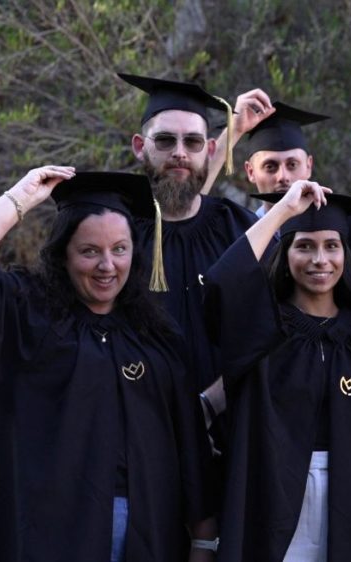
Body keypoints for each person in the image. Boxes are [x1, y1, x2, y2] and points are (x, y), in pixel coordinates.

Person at [0, 168, 216, 561]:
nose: (107, 265)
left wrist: (204, 542)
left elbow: (190, 450)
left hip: (148, 534)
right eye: (90, 251)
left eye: (120, 249)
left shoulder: (156, 335)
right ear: (64, 255)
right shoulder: (26, 316)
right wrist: (19, 198)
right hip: (47, 536)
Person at [204, 183, 351, 561]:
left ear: (345, 252)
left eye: (331, 245)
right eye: (304, 246)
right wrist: (283, 211)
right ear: (285, 252)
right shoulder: (261, 330)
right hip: (272, 502)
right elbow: (222, 280)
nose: (320, 260)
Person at [119, 72, 258, 423]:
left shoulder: (238, 229)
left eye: (193, 143)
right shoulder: (117, 234)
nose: (179, 153)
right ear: (140, 146)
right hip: (135, 426)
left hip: (228, 431)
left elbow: (265, 333)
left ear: (209, 150)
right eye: (165, 141)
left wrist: (211, 404)